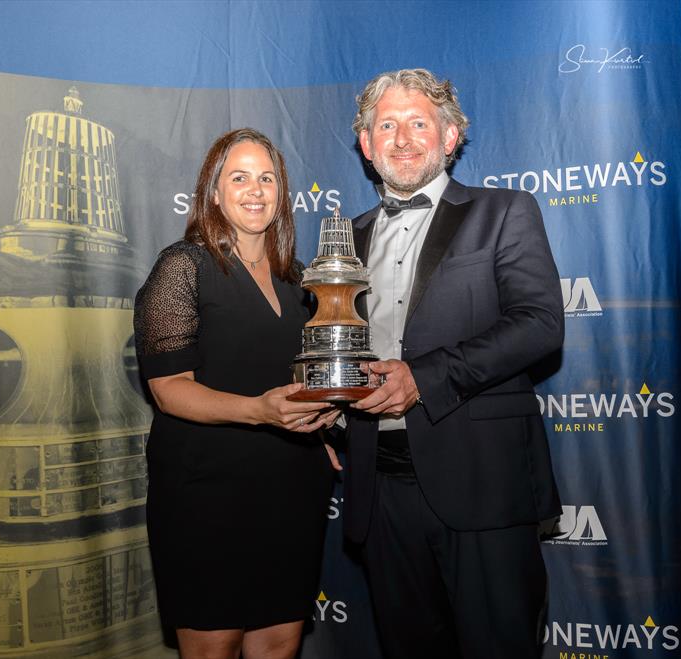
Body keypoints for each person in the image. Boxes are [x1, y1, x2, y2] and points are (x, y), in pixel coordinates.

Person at [342, 69, 564, 658]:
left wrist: (425, 378)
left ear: (451, 136)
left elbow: (540, 323)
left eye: (420, 122)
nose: (403, 137)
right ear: (366, 145)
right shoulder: (346, 238)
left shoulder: (505, 212)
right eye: (386, 125)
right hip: (379, 491)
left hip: (483, 485)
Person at [134, 128, 340, 659]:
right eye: (240, 177)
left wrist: (324, 427)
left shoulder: (298, 281)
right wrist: (258, 411)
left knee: (278, 643)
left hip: (291, 486)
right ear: (214, 192)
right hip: (206, 492)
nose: (256, 190)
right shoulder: (184, 266)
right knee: (214, 644)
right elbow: (169, 390)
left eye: (267, 178)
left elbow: (302, 380)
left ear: (281, 193)